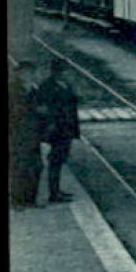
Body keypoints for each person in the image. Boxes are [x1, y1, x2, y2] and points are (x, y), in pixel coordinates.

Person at [36, 58, 81, 205]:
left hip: (66, 128)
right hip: (57, 130)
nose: (65, 73)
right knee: (55, 161)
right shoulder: (47, 86)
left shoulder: (66, 85)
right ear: (56, 71)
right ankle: (53, 193)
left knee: (60, 160)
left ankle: (57, 191)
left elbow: (73, 103)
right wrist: (49, 127)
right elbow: (45, 109)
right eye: (63, 70)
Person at [9, 60, 43, 209]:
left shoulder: (34, 90)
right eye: (25, 73)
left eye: (30, 72)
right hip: (18, 135)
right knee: (19, 168)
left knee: (36, 167)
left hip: (34, 134)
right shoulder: (12, 90)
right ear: (18, 74)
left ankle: (31, 198)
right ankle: (17, 200)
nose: (28, 75)